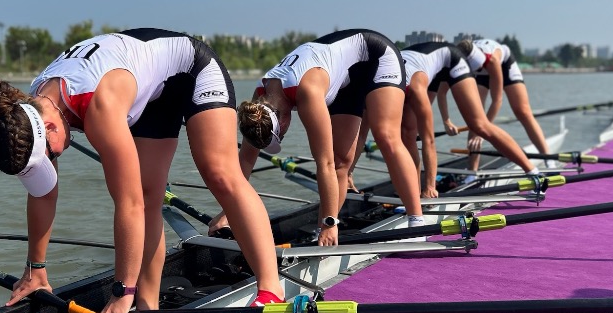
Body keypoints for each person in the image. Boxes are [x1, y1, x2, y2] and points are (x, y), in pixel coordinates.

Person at [0, 28, 284, 313]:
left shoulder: (100, 106)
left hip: (192, 70)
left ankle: (271, 289)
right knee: (150, 195)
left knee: (218, 172)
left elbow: (128, 204)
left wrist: (122, 290)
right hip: (147, 91)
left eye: (50, 156)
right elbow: (43, 194)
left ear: (50, 126)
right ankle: (148, 310)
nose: (53, 159)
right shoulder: (29, 113)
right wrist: (35, 270)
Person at [212, 28, 425, 245]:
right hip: (343, 75)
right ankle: (323, 231)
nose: (284, 135)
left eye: (281, 136)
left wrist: (329, 223)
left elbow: (324, 164)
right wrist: (227, 211)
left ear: (281, 122)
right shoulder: (259, 103)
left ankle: (417, 220)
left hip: (377, 57)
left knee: (385, 136)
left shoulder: (308, 91)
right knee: (342, 161)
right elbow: (246, 159)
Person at [401, 41, 540, 198]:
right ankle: (414, 193)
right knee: (407, 133)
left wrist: (430, 187)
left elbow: (429, 139)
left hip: (449, 60)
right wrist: (446, 121)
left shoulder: (416, 87)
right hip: (423, 66)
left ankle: (533, 173)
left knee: (479, 125)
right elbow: (442, 93)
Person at [441, 38, 550, 174]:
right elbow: (442, 91)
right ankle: (472, 172)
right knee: (475, 117)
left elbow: (497, 100)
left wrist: (483, 134)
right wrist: (447, 121)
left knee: (522, 112)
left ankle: (548, 158)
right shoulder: (458, 62)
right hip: (479, 72)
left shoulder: (492, 60)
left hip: (504, 66)